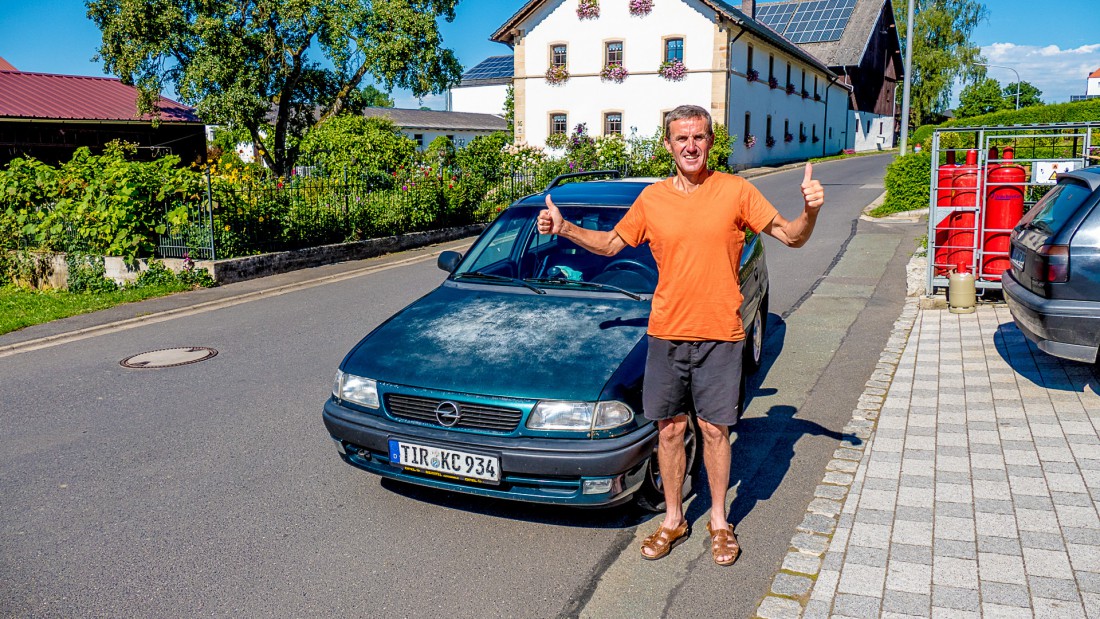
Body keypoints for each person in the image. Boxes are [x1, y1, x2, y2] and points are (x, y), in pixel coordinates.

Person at [537, 104, 824, 566]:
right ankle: (673, 518)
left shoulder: (735, 191)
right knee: (669, 432)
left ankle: (718, 520)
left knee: (714, 430)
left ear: (710, 142)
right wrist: (565, 227)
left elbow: (791, 236)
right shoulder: (652, 199)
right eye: (681, 138)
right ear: (668, 146)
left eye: (699, 137)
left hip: (720, 335)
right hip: (666, 333)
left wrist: (808, 211)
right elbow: (612, 244)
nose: (691, 146)